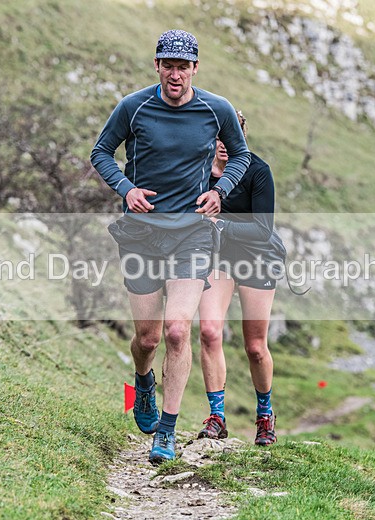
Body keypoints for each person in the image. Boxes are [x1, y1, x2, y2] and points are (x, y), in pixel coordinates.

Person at [90, 30, 250, 463]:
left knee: (179, 331)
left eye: (183, 66)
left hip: (193, 234)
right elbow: (101, 152)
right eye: (168, 64)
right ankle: (144, 383)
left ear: (195, 68)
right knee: (148, 337)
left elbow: (240, 156)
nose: (175, 74)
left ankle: (167, 430)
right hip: (142, 233)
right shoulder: (134, 106)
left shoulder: (216, 110)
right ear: (156, 65)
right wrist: (126, 188)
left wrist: (222, 191)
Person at [197, 110, 285, 446]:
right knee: (208, 331)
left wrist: (220, 225)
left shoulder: (257, 170)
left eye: (229, 135)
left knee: (255, 347)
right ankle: (217, 416)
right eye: (216, 136)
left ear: (241, 135)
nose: (222, 143)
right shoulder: (198, 171)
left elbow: (263, 230)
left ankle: (265, 416)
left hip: (256, 258)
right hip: (217, 258)